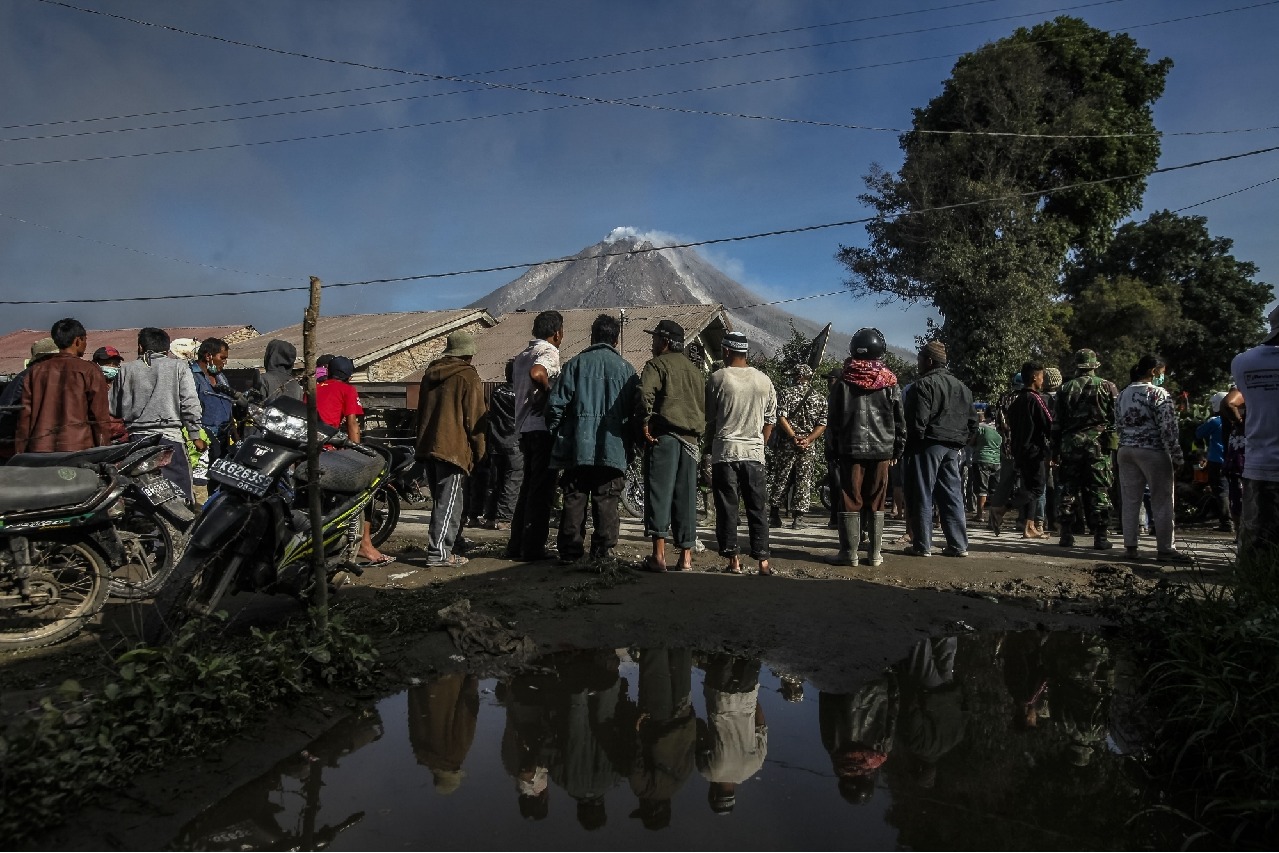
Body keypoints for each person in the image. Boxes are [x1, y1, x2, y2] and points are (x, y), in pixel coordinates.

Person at [547, 314, 638, 564]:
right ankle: (602, 553)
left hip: (578, 446)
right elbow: (637, 412)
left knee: (575, 496)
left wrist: (559, 434)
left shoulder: (574, 365)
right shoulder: (627, 371)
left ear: (592, 337)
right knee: (607, 499)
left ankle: (570, 552)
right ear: (616, 340)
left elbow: (555, 407)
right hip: (613, 448)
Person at [825, 327, 905, 567]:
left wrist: (832, 450)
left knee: (850, 498)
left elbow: (833, 421)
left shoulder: (843, 382)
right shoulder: (890, 382)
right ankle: (875, 554)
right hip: (882, 451)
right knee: (877, 499)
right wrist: (897, 449)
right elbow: (899, 420)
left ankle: (849, 553)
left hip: (850, 450)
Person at [704, 331, 777, 575]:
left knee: (727, 508)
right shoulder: (764, 380)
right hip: (754, 454)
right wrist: (759, 444)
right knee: (757, 507)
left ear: (726, 351)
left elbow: (710, 417)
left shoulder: (718, 378)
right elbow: (770, 420)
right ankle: (763, 562)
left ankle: (733, 561)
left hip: (725, 453)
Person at [636, 319, 705, 573]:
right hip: (691, 442)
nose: (652, 343)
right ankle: (685, 558)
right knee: (686, 498)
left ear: (664, 342)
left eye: (655, 338)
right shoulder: (695, 371)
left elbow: (644, 393)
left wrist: (645, 422)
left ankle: (659, 557)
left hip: (664, 437)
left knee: (659, 494)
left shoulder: (656, 365)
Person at [317, 355, 394, 567]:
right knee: (365, 491)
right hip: (329, 451)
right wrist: (357, 453)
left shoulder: (314, 388)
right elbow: (352, 423)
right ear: (349, 376)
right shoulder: (347, 390)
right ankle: (365, 544)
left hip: (308, 452)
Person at [111, 327, 204, 500]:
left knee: (140, 492)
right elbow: (190, 404)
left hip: (136, 441)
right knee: (180, 494)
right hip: (170, 439)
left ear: (140, 347)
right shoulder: (179, 366)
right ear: (167, 349)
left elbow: (113, 407)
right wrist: (194, 435)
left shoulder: (126, 369)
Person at [902, 340, 976, 557]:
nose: (918, 364)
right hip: (953, 447)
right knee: (952, 494)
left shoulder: (923, 385)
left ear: (929, 361)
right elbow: (973, 423)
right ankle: (958, 545)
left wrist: (910, 446)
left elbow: (916, 422)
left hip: (928, 445)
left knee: (922, 493)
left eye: (919, 360)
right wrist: (960, 442)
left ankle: (922, 545)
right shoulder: (963, 388)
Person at [1115, 355, 1189, 562]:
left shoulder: (1123, 394)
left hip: (1126, 449)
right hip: (1152, 450)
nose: (1163, 376)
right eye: (1162, 372)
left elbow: (1118, 423)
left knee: (1130, 500)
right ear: (1153, 371)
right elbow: (1168, 428)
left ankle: (1130, 547)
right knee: (1162, 499)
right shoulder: (1158, 393)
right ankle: (1165, 549)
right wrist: (1177, 456)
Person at [506, 311, 564, 562]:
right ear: (557, 333)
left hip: (524, 428)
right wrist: (548, 393)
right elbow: (538, 373)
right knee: (541, 491)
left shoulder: (522, 356)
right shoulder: (548, 352)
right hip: (541, 428)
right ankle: (533, 548)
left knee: (528, 488)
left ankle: (517, 544)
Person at [1050, 349, 1120, 550]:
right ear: (1094, 365)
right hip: (1098, 445)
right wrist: (1113, 443)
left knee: (1068, 488)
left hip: (1070, 445)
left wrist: (1054, 449)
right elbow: (1116, 418)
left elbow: (1057, 422)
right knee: (1099, 489)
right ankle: (1100, 536)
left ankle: (1066, 534)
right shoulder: (1108, 387)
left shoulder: (1064, 389)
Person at [15, 318, 113, 455]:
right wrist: (104, 451)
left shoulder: (36, 372)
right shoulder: (89, 371)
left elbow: (25, 418)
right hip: (78, 451)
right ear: (78, 340)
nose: (85, 344)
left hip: (40, 451)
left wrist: (20, 453)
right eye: (85, 340)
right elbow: (99, 419)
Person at [1230, 305, 1279, 564]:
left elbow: (1233, 401)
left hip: (1258, 464)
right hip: (1260, 465)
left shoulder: (1243, 362)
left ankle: (1250, 587)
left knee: (1255, 545)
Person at [989, 362, 1053, 540]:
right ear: (1034, 377)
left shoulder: (1016, 402)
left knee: (1028, 487)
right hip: (1034, 451)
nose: (1043, 380)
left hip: (1018, 451)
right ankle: (1002, 509)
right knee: (1037, 489)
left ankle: (1029, 527)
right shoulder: (1036, 399)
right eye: (1042, 377)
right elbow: (1049, 424)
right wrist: (1053, 449)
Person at [697, 654, 768, 815]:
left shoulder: (754, 766)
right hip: (719, 695)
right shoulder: (708, 771)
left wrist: (752, 700)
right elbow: (699, 726)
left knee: (752, 649)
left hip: (747, 693)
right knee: (722, 649)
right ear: (713, 794)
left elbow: (761, 725)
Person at [768, 363, 828, 528]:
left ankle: (774, 515)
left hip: (788, 443)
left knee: (782, 477)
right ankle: (798, 518)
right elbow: (822, 424)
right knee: (803, 479)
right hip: (808, 444)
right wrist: (808, 439)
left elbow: (781, 417)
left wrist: (793, 436)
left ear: (798, 376)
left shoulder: (785, 394)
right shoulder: (820, 398)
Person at [0, 336, 60, 460]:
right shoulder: (30, 377)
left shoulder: (35, 376)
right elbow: (8, 417)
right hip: (14, 448)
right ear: (48, 358)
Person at [482, 360, 522, 530]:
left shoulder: (497, 391)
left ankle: (490, 517)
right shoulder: (521, 393)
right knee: (512, 480)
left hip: (496, 441)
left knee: (495, 481)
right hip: (514, 442)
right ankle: (505, 518)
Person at [191, 338, 235, 462]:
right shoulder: (191, 376)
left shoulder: (221, 377)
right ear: (208, 356)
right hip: (203, 439)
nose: (225, 362)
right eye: (222, 358)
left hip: (224, 437)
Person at [1195, 392, 1233, 533]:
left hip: (1217, 461)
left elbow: (1199, 433)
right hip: (1235, 460)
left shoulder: (1215, 421)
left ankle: (1227, 522)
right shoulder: (1237, 419)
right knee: (1234, 489)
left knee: (1221, 491)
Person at [969, 407, 1002, 525]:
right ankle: (992, 518)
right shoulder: (1000, 428)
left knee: (982, 489)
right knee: (994, 490)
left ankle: (980, 515)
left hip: (981, 459)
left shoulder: (981, 427)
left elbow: (971, 442)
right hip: (997, 460)